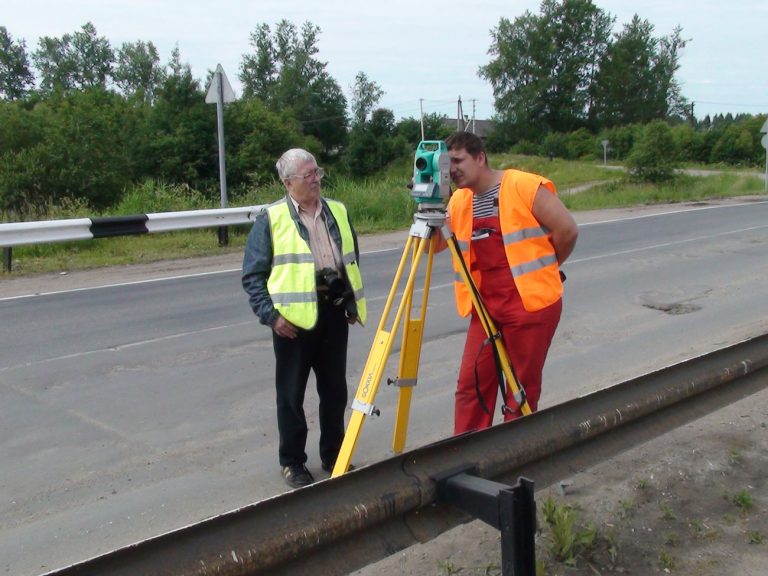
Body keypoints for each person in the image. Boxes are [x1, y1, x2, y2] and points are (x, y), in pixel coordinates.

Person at [242, 148, 366, 489]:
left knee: (334, 391)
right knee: (291, 395)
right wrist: (271, 317)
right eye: (308, 174)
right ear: (287, 182)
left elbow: (351, 260)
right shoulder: (272, 218)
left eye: (317, 172)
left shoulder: (337, 211)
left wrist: (350, 303)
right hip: (292, 323)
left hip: (333, 313)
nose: (316, 179)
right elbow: (253, 276)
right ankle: (293, 462)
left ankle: (333, 454)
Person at [443, 132, 578, 434]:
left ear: (480, 157)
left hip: (529, 304)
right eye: (446, 162)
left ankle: (513, 454)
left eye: (457, 160)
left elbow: (567, 230)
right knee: (470, 384)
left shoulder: (522, 185)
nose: (451, 169)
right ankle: (465, 453)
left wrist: (544, 269)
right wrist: (430, 209)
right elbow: (435, 246)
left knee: (520, 389)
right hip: (485, 305)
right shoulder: (459, 199)